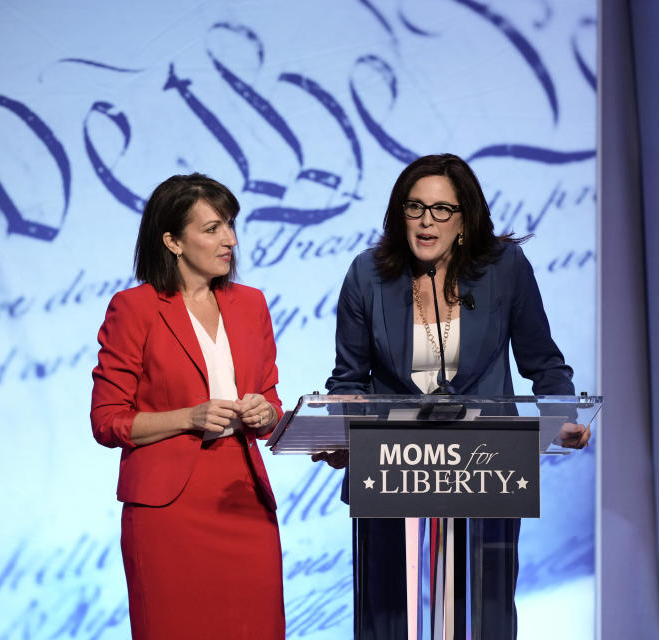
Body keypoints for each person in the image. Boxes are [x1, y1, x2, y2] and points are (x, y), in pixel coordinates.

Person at [316, 153, 590, 639]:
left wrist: (561, 417)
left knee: (483, 612)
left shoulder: (505, 269)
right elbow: (348, 380)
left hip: (488, 466)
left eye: (442, 209)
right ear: (398, 215)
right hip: (391, 464)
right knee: (385, 614)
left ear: (465, 220)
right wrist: (341, 433)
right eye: (415, 207)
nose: (427, 220)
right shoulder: (367, 274)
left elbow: (544, 362)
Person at [90, 173, 285, 639]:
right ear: (173, 241)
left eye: (231, 226)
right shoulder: (133, 309)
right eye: (213, 228)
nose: (230, 240)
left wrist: (266, 413)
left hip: (243, 500)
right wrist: (188, 418)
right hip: (167, 511)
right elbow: (106, 420)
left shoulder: (252, 304)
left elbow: (272, 397)